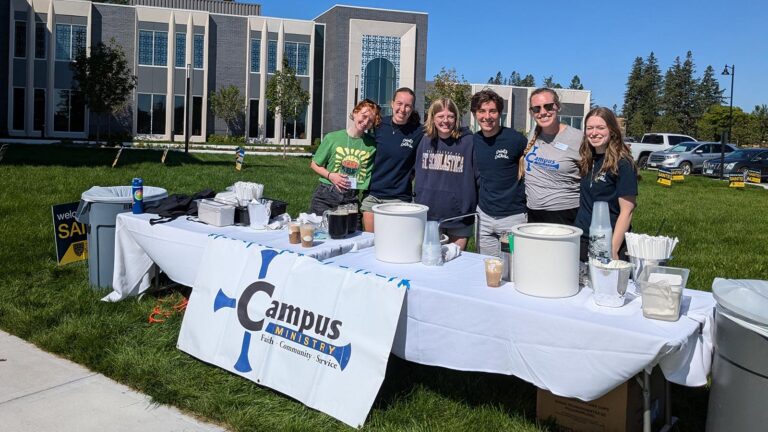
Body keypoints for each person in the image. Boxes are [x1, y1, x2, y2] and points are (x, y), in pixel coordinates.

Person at [574, 107, 638, 261]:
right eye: (590, 128)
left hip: (607, 241)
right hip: (582, 237)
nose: (594, 133)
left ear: (612, 130)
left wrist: (612, 249)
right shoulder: (588, 159)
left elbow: (627, 211)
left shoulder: (623, 163)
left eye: (600, 128)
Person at [471, 89, 528, 256]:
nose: (487, 116)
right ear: (475, 114)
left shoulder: (515, 139)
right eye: (482, 111)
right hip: (484, 218)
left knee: (513, 270)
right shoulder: (473, 141)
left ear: (500, 113)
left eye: (492, 111)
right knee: (488, 268)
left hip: (512, 219)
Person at [414, 98, 476, 250]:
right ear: (433, 118)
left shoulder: (468, 141)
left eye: (450, 116)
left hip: (459, 217)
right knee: (431, 262)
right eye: (440, 116)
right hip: (430, 216)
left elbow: (478, 176)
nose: (445, 121)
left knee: (456, 264)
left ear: (456, 118)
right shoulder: (425, 140)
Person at [361, 88, 424, 232]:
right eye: (399, 103)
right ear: (392, 104)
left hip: (399, 198)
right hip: (373, 195)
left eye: (407, 105)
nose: (402, 109)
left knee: (396, 245)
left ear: (412, 108)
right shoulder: (378, 125)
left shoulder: (419, 132)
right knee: (370, 244)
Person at [520, 88, 582, 225]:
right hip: (533, 212)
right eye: (536, 109)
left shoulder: (577, 138)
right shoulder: (533, 134)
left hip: (565, 214)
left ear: (557, 107)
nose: (543, 112)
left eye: (548, 106)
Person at [309, 99, 381, 215]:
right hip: (326, 194)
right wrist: (331, 175)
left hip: (351, 198)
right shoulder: (332, 138)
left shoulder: (373, 145)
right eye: (364, 116)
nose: (365, 121)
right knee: (319, 231)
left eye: (370, 120)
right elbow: (314, 164)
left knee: (354, 232)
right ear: (355, 112)